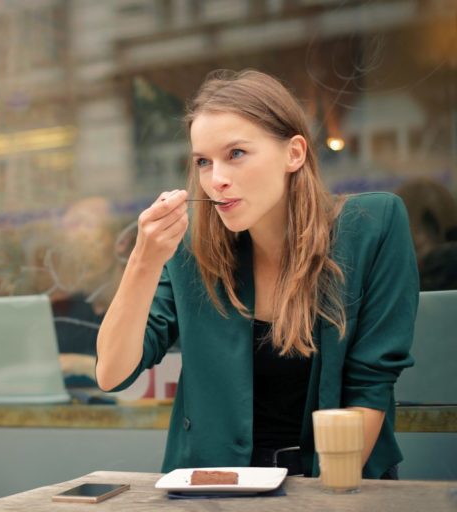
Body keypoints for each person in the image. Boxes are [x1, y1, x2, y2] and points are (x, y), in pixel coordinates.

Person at [96, 69, 419, 479]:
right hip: (212, 492)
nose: (217, 180)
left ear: (294, 154)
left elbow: (369, 389)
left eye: (236, 154)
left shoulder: (372, 227)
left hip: (333, 485)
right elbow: (112, 373)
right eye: (202, 162)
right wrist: (144, 261)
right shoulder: (191, 249)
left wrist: (322, 500)